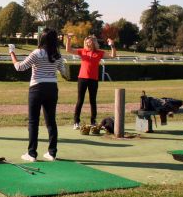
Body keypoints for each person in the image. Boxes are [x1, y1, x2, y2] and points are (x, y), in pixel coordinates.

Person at [9, 29, 68, 162]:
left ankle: (31, 154)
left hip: (37, 88)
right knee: (51, 121)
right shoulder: (57, 55)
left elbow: (19, 67)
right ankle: (52, 153)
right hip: (52, 88)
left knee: (33, 121)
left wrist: (12, 53)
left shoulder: (37, 53)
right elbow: (64, 72)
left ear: (41, 39)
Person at [65, 34, 116, 129]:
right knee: (80, 100)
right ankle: (76, 122)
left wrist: (112, 45)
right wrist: (68, 39)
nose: (89, 42)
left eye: (91, 41)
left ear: (94, 42)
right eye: (87, 41)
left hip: (93, 79)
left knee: (93, 101)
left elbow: (113, 55)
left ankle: (93, 121)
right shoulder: (82, 51)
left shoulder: (99, 52)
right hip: (82, 79)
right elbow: (69, 50)